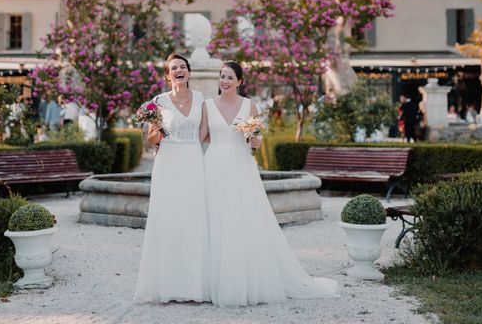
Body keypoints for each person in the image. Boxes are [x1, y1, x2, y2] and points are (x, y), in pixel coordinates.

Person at [200, 62, 339, 307]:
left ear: (239, 81)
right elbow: (202, 137)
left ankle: (245, 281)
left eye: (230, 77)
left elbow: (256, 142)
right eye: (222, 76)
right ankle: (213, 282)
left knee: (243, 219)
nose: (224, 81)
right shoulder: (207, 106)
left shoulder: (249, 105)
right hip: (214, 165)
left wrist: (253, 139)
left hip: (241, 166)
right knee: (216, 218)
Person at [135, 53, 210, 303]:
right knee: (169, 220)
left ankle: (195, 285)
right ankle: (168, 285)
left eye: (183, 66)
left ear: (189, 72)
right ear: (168, 76)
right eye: (174, 68)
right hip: (168, 162)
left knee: (194, 219)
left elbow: (205, 135)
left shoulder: (201, 99)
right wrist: (158, 130)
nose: (179, 70)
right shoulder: (158, 102)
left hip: (193, 160)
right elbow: (152, 140)